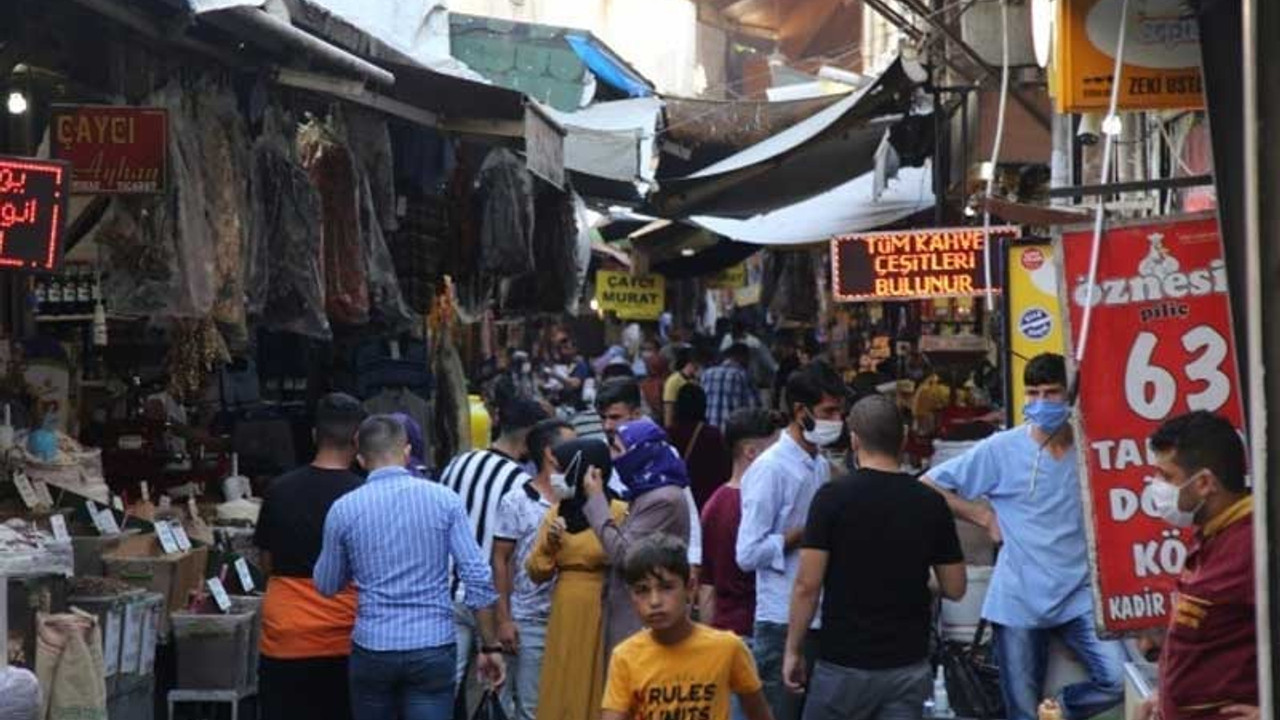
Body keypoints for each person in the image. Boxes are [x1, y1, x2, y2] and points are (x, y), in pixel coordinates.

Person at [920, 353, 1124, 720]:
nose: (1041, 403)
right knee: (1020, 713)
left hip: (1079, 594)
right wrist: (981, 514)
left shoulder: (1095, 449)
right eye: (1032, 393)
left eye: (1052, 393)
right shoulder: (1002, 449)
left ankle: (1057, 710)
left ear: (1071, 396)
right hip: (1019, 599)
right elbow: (928, 485)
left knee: (1119, 680)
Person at [785, 395, 966, 720]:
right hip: (908, 666)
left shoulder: (831, 499)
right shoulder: (930, 503)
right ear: (904, 437)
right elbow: (955, 587)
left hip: (841, 664)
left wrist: (793, 650)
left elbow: (806, 586)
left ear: (854, 439)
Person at [314, 416, 505, 720]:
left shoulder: (344, 509)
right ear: (406, 451)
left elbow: (326, 584)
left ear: (361, 459)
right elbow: (478, 578)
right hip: (432, 645)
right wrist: (490, 646)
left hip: (373, 645)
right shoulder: (444, 500)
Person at [737, 362, 846, 720]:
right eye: (828, 411)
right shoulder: (771, 469)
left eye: (839, 410)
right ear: (801, 412)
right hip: (781, 620)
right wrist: (803, 534)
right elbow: (747, 552)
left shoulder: (818, 464)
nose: (837, 419)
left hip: (819, 615)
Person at [1139, 411, 1257, 720]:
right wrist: (1163, 697)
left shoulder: (1256, 545)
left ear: (1204, 483)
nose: (1156, 487)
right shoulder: (1211, 533)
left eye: (1166, 477)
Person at [255, 393, 366, 720]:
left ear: (314, 435)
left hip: (286, 635)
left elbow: (267, 563)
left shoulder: (279, 489)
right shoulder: (363, 495)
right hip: (346, 635)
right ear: (357, 440)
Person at [437, 397, 548, 687]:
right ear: (530, 437)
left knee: (449, 687)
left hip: (447, 591)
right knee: (497, 688)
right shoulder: (521, 482)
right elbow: (513, 556)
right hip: (491, 602)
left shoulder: (457, 463)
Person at [602, 533, 774, 720]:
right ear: (631, 597)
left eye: (666, 587)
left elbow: (759, 712)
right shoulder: (626, 657)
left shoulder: (728, 649)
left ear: (690, 587)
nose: (654, 601)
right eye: (642, 590)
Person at [526, 439, 628, 720]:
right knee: (565, 674)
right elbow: (536, 571)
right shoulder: (557, 513)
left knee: (597, 674)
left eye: (562, 468)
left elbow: (622, 554)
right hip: (566, 605)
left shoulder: (617, 511)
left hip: (603, 601)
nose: (556, 477)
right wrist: (549, 543)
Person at [585, 417, 694, 659]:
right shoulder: (645, 492)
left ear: (641, 453)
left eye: (618, 450)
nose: (614, 458)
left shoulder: (662, 499)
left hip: (644, 617)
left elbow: (625, 555)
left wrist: (596, 500)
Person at [490, 418, 575, 720]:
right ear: (551, 453)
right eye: (571, 444)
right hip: (529, 622)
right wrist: (503, 620)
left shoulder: (579, 499)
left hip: (572, 620)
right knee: (531, 708)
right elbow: (499, 561)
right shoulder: (516, 501)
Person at [597, 378, 704, 570]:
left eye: (614, 417)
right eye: (602, 418)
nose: (607, 426)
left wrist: (694, 560)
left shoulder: (662, 454)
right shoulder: (602, 453)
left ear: (636, 414)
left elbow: (687, 507)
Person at [699, 408, 780, 638]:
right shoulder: (760, 504)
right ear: (751, 452)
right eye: (776, 449)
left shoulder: (713, 505)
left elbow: (707, 586)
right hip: (761, 630)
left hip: (724, 630)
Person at [667, 383, 732, 510]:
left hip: (675, 503)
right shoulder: (712, 435)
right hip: (705, 501)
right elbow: (724, 471)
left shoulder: (667, 434)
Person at [703, 344, 761, 429]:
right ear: (742, 357)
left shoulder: (707, 374)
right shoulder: (743, 375)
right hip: (733, 431)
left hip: (710, 429)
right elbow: (754, 409)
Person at [663, 345, 704, 428]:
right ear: (691, 362)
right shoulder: (674, 381)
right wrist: (669, 430)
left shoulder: (697, 379)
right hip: (679, 426)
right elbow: (669, 409)